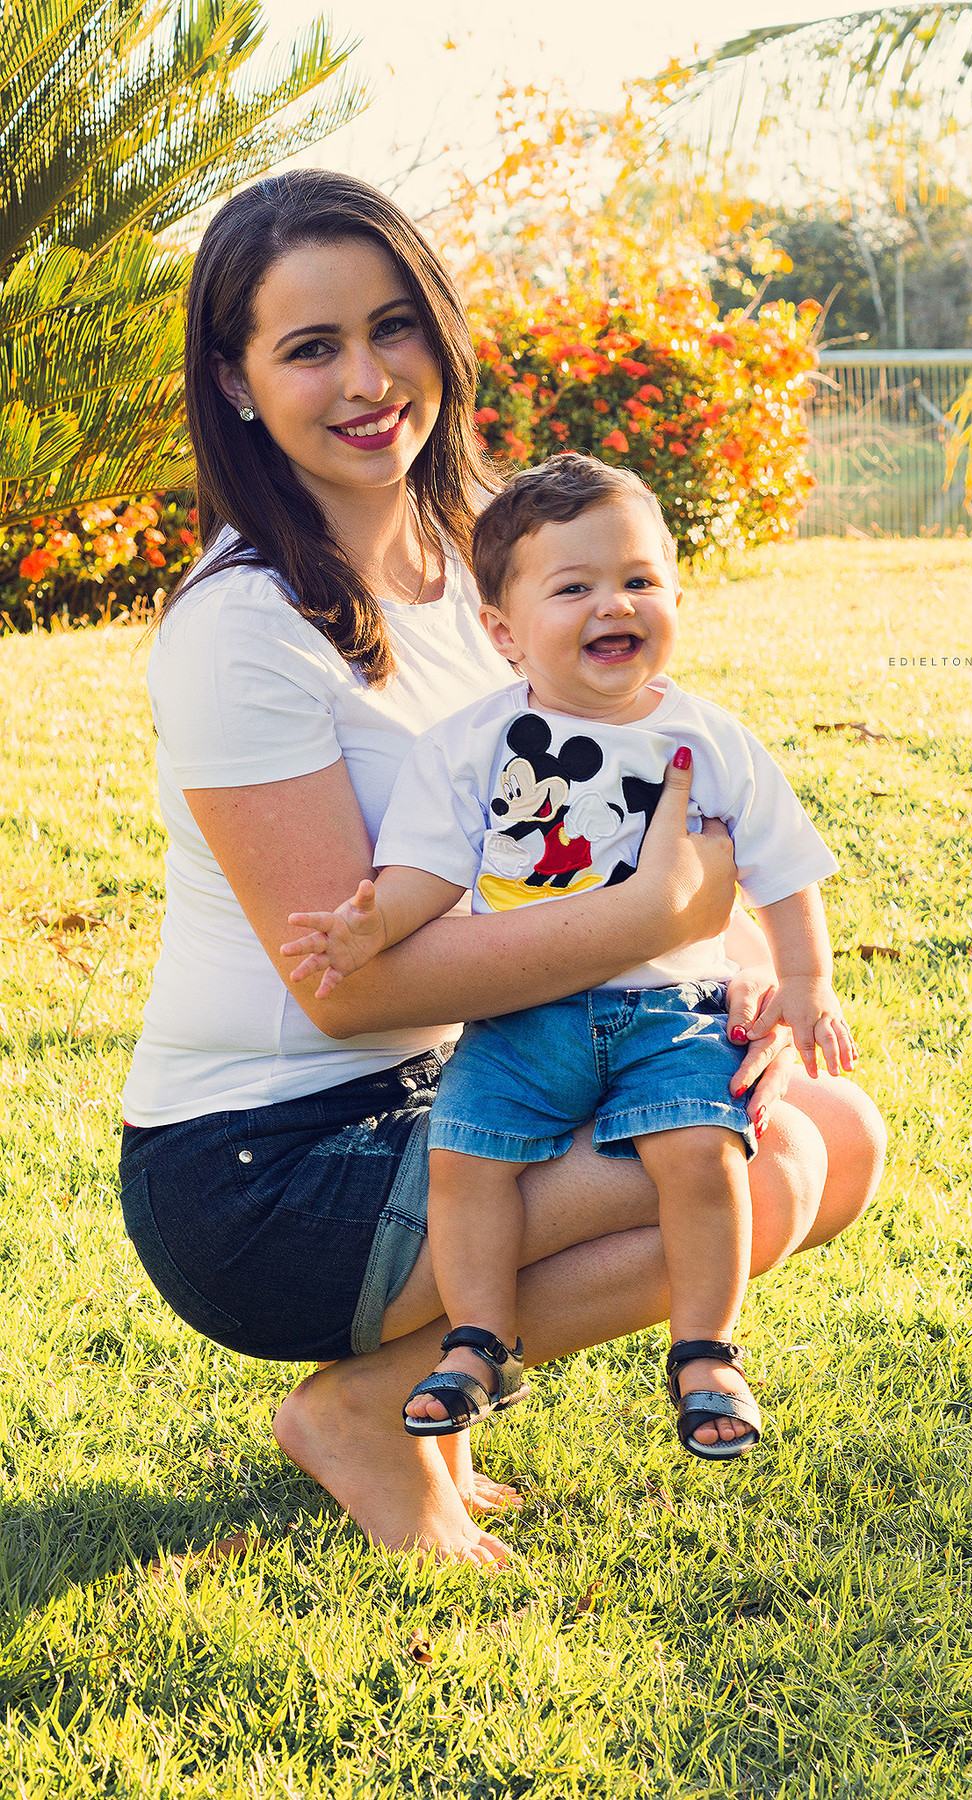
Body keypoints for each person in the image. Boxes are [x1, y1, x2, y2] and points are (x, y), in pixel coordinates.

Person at [118, 167, 886, 1566]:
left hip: (459, 1074)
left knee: (830, 1133)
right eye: (310, 348)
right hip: (264, 1169)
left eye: (394, 325)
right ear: (235, 382)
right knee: (758, 1159)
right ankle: (361, 1407)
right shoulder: (242, 633)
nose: (369, 378)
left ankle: (427, 1399)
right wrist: (659, 912)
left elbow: (623, 813)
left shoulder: (484, 565)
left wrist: (733, 994)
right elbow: (348, 992)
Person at [282, 456, 857, 1463]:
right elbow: (424, 869)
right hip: (521, 1021)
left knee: (703, 1151)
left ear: (675, 598)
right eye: (574, 588)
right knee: (466, 1162)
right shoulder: (471, 744)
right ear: (503, 633)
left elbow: (781, 866)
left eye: (638, 580)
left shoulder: (708, 739)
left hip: (668, 1011)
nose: (613, 605)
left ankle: (704, 1350)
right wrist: (370, 925)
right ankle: (476, 1343)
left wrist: (803, 980)